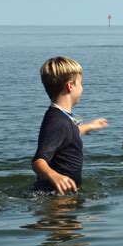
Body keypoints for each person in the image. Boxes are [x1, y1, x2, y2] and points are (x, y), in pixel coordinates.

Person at [32, 56, 108, 195]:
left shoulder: (61, 118)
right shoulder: (57, 121)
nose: (82, 88)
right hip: (55, 196)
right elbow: (39, 161)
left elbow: (69, 134)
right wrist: (54, 176)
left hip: (62, 194)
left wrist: (89, 126)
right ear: (70, 86)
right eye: (81, 83)